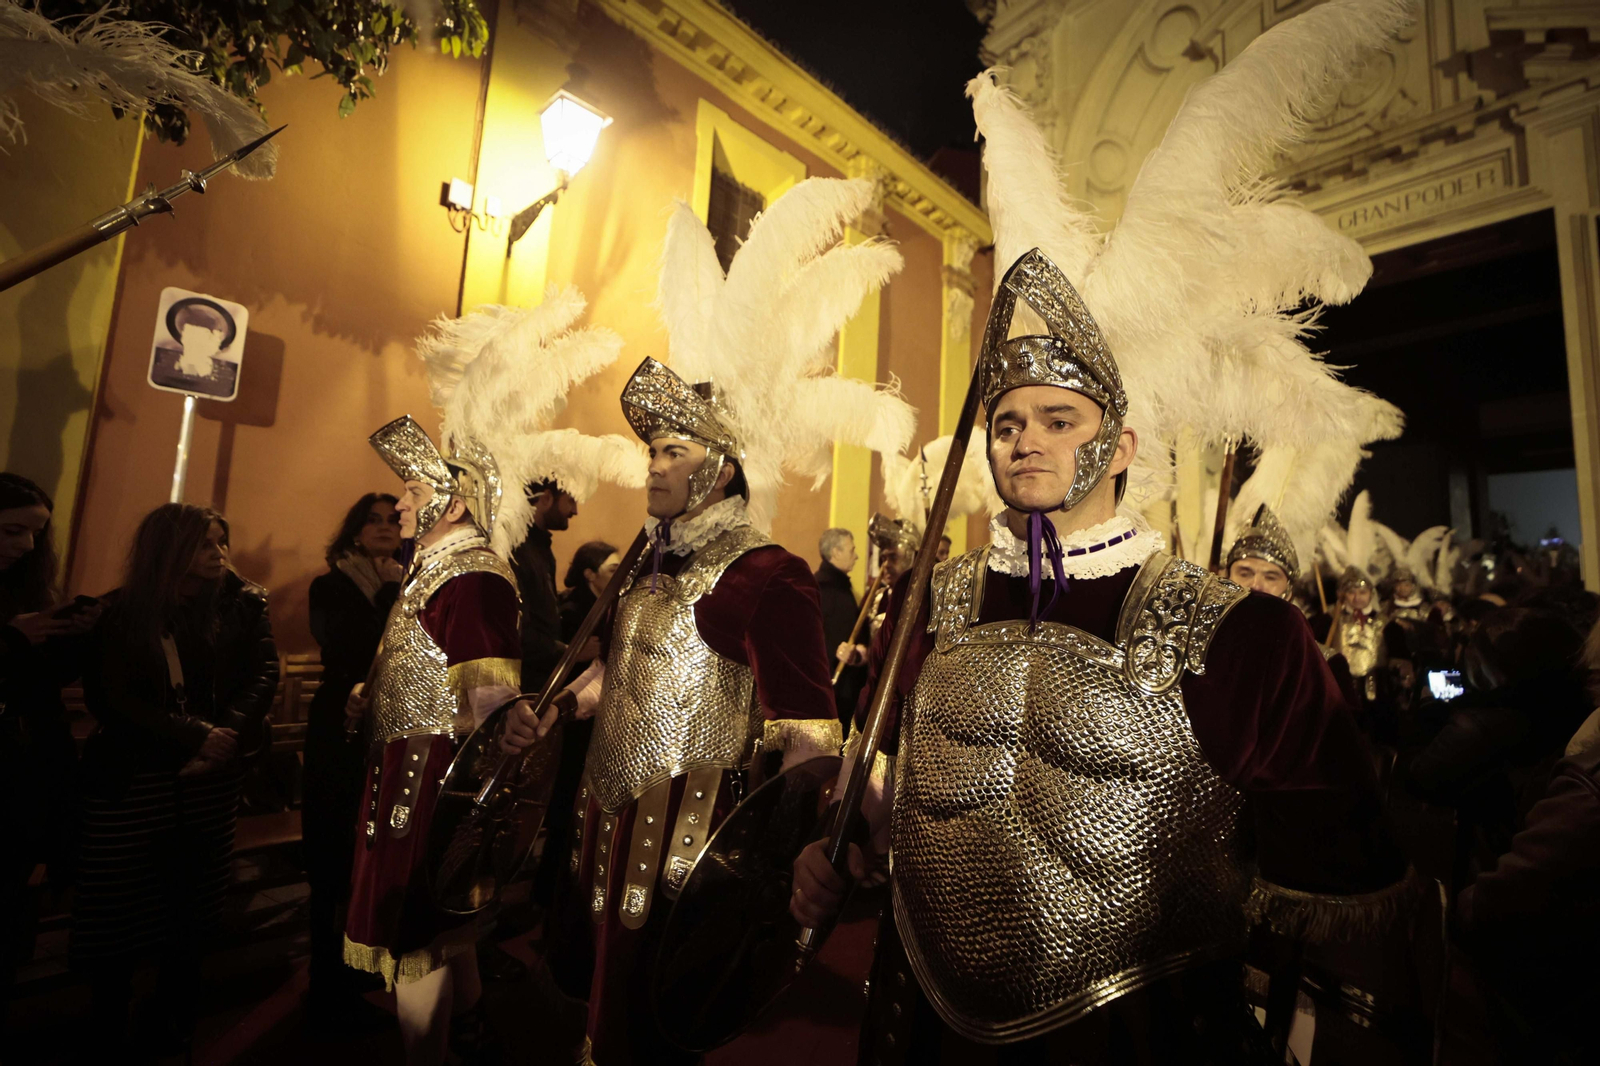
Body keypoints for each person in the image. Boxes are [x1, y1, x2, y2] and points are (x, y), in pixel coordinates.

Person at [792, 245, 1407, 1063]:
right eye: (1006, 424)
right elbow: (894, 777)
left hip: (1142, 1030)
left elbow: (1333, 878)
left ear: (1118, 447)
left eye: (1058, 421)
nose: (1025, 443)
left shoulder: (1241, 632)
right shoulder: (930, 603)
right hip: (929, 1023)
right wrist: (842, 843)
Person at [516, 175, 912, 1065]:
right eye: (652, 449)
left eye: (672, 450)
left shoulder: (767, 573)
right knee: (593, 1017)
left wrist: (811, 847)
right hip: (603, 824)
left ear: (722, 470)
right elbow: (616, 672)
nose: (651, 466)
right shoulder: (646, 560)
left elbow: (808, 736)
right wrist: (561, 709)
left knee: (656, 1029)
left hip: (686, 850)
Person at [343, 418, 526, 1065]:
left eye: (414, 492)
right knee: (446, 930)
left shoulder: (471, 575)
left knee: (419, 938)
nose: (399, 504)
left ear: (450, 503)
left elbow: (489, 699)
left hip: (435, 777)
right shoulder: (432, 571)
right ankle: (474, 1034)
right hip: (407, 765)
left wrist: (500, 730)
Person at [73, 504, 277, 1055]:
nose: (219, 555)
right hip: (137, 773)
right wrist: (192, 733)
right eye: (205, 544)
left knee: (193, 905)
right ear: (169, 549)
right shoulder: (122, 611)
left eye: (222, 542)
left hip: (213, 773)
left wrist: (225, 736)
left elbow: (263, 672)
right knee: (118, 905)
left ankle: (174, 1021)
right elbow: (111, 696)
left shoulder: (242, 600)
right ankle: (108, 1023)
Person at [302, 492, 404, 1028]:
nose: (385, 527)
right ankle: (325, 979)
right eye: (373, 520)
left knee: (373, 850)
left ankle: (362, 965)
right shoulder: (332, 584)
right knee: (332, 850)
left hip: (387, 729)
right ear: (355, 530)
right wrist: (390, 592)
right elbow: (353, 650)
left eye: (393, 519)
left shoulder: (410, 583)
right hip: (340, 726)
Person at [0, 474, 97, 1018]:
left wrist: (72, 638)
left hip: (21, 771)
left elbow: (35, 686)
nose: (27, 547)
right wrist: (12, 637)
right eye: (13, 530)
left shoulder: (24, 589)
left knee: (13, 907)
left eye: (36, 534)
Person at [528, 539, 618, 908]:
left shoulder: (612, 603)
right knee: (567, 811)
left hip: (599, 729)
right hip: (576, 730)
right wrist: (558, 706)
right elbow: (600, 670)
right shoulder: (577, 608)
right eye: (611, 569)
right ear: (590, 574)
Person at [511, 480, 579, 690]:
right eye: (571, 501)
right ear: (546, 499)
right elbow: (518, 628)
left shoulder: (539, 547)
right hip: (523, 685)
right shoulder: (517, 550)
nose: (575, 511)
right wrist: (568, 651)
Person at [814, 527, 865, 731]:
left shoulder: (843, 589)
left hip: (842, 689)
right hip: (831, 693)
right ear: (835, 552)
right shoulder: (821, 589)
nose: (857, 556)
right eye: (852, 550)